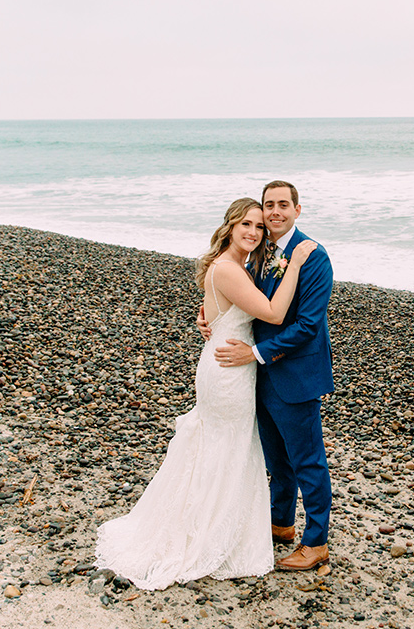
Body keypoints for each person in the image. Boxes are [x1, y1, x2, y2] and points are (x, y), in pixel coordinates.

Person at [94, 197, 317, 590]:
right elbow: (275, 314)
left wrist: (210, 320)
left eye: (259, 227)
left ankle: (223, 525)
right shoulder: (229, 269)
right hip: (229, 370)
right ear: (230, 227)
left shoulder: (238, 266)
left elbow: (219, 312)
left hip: (230, 363)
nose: (253, 232)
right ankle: (210, 534)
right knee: (226, 448)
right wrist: (295, 263)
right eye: (245, 224)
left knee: (225, 447)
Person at [199, 180, 334, 572]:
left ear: (297, 209)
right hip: (256, 374)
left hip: (293, 373)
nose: (274, 212)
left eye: (282, 205)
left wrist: (254, 352)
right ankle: (280, 524)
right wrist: (209, 316)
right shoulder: (258, 251)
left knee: (308, 459)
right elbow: (239, 296)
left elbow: (308, 325)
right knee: (276, 458)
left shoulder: (313, 256)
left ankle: (316, 543)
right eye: (268, 205)